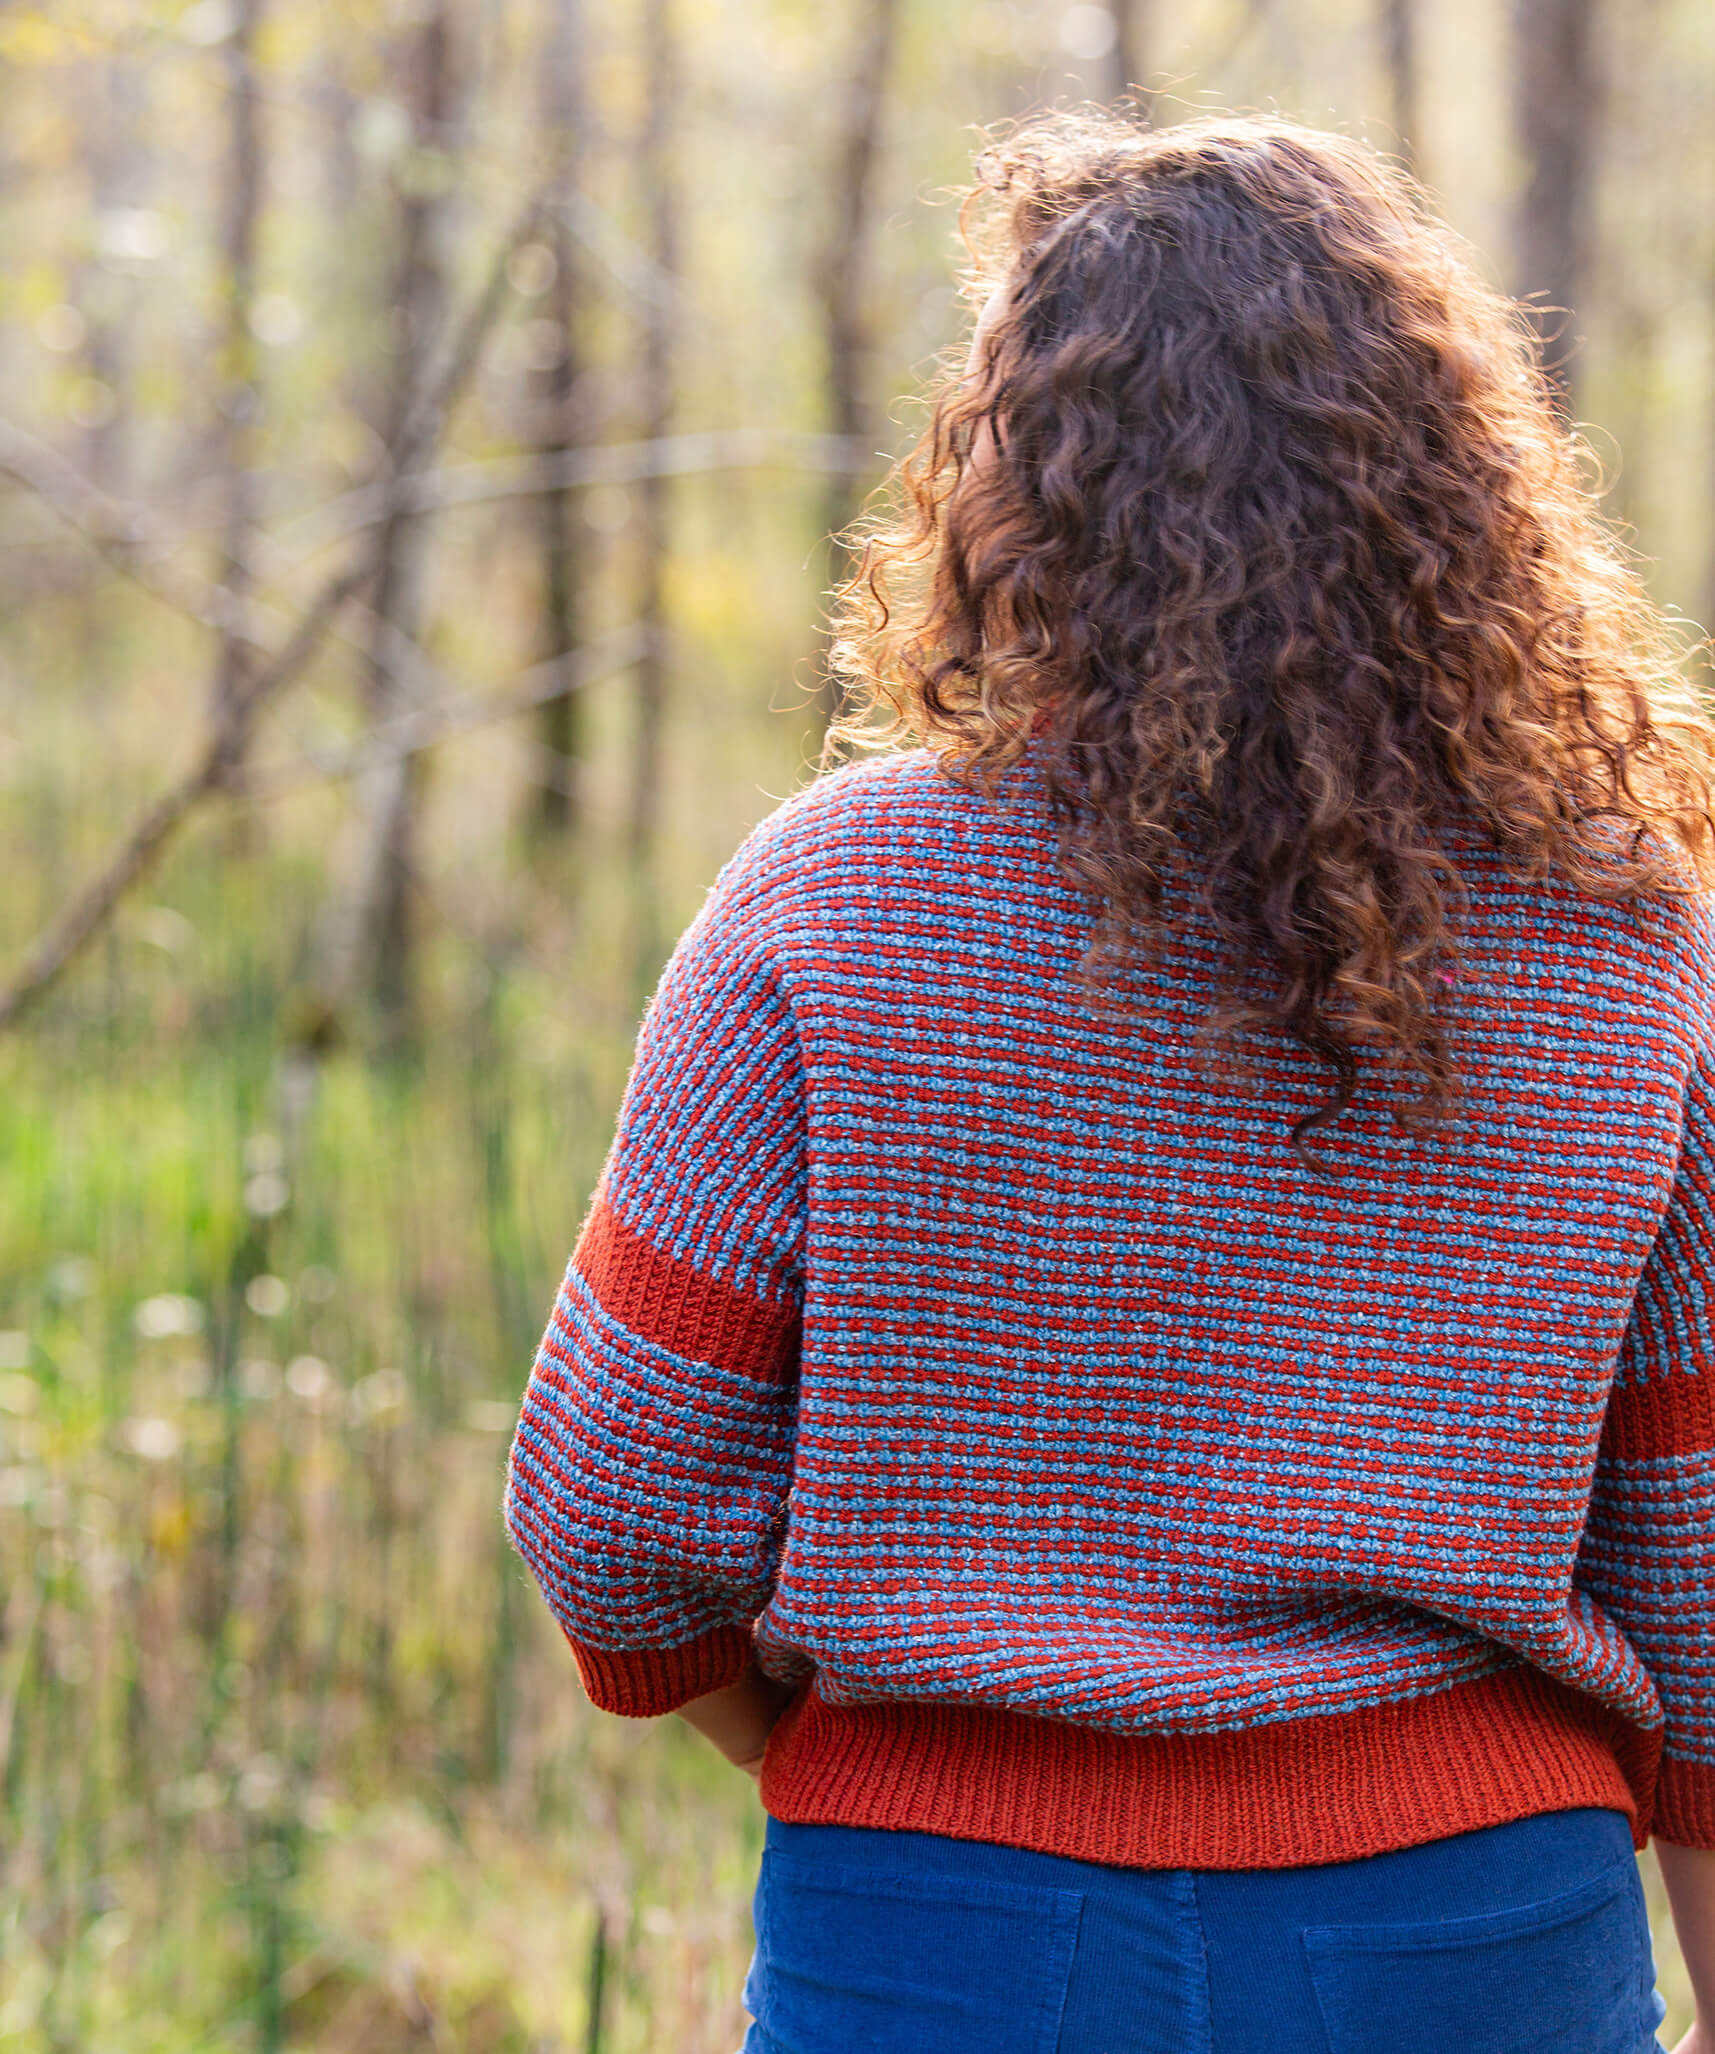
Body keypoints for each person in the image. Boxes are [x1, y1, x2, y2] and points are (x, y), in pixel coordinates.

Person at [503, 107, 1715, 2054]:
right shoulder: (1624, 939)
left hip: (938, 1931)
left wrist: (833, 1752)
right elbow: (1703, 1545)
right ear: (1449, 479)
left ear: (1019, 484)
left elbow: (614, 1504)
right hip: (1475, 1934)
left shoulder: (833, 900)